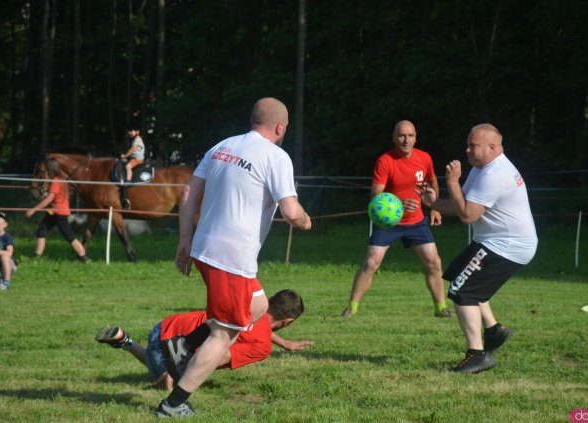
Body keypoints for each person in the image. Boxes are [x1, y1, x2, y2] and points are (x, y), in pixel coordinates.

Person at [157, 97, 312, 417]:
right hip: (231, 259)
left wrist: (185, 241)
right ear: (281, 127)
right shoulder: (276, 156)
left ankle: (184, 345)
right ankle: (174, 404)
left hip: (204, 249)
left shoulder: (222, 146)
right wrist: (306, 220)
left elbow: (188, 193)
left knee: (257, 306)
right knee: (224, 335)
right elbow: (291, 211)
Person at [418, 123, 537, 373]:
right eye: (468, 144)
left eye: (474, 146)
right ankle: (494, 331)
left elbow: (468, 216)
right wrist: (435, 203)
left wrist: (451, 181)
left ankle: (477, 355)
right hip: (494, 241)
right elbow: (462, 204)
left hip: (507, 245)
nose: (468, 150)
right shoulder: (482, 168)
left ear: (493, 147)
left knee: (463, 290)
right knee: (460, 274)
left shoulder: (495, 174)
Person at [95, 289, 314, 390]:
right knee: (172, 373)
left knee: (160, 356)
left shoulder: (250, 301)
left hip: (163, 327)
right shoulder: (262, 346)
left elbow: (253, 326)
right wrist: (179, 376)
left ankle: (124, 341)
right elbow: (217, 356)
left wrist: (283, 343)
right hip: (168, 351)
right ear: (288, 321)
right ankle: (163, 369)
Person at [341, 120, 451, 319]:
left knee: (434, 262)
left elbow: (432, 180)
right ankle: (351, 308)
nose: (406, 140)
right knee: (371, 262)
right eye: (401, 135)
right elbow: (376, 195)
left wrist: (435, 207)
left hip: (416, 221)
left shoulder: (424, 158)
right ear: (394, 138)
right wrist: (399, 206)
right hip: (389, 223)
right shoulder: (385, 161)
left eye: (410, 135)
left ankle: (441, 308)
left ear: (416, 137)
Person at [25, 157, 90, 262]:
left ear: (50, 169)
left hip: (59, 213)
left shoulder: (56, 181)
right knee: (41, 231)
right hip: (54, 212)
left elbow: (50, 198)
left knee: (69, 235)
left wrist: (34, 209)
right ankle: (36, 257)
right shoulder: (62, 179)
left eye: (46, 169)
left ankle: (84, 257)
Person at [119, 120, 146, 209]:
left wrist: (125, 155)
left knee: (128, 166)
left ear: (137, 131)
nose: (129, 132)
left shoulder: (137, 139)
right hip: (135, 158)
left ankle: (128, 180)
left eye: (131, 130)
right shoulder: (135, 139)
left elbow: (133, 149)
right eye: (129, 131)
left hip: (137, 159)